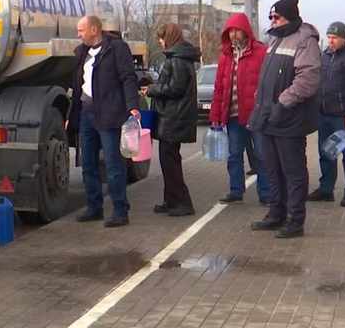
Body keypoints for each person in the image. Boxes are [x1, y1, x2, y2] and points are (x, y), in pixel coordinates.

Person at [248, 0, 321, 239]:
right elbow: (267, 77)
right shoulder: (275, 39)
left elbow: (308, 78)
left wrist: (283, 102)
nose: (272, 21)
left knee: (293, 171)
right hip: (268, 117)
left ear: (287, 16)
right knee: (271, 169)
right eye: (270, 16)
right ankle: (275, 213)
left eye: (275, 16)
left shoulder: (305, 39)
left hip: (290, 118)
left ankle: (294, 220)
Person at [67, 15, 141, 228]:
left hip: (109, 114)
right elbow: (77, 85)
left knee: (113, 164)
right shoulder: (81, 53)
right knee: (87, 164)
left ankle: (120, 210)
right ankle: (94, 207)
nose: (78, 34)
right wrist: (71, 114)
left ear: (94, 29)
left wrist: (132, 106)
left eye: (81, 30)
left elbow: (128, 77)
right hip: (86, 114)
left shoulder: (116, 49)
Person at [210, 13, 271, 205]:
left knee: (262, 155)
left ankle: (266, 193)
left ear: (245, 31)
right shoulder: (225, 57)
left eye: (237, 31)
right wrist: (216, 117)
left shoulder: (261, 52)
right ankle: (236, 190)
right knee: (234, 155)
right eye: (230, 31)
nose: (233, 35)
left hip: (256, 115)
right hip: (234, 116)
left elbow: (269, 83)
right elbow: (219, 88)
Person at [308, 22, 345, 207]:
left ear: (344, 38)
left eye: (334, 38)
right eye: (329, 37)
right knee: (326, 152)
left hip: (343, 116)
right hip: (324, 113)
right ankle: (326, 189)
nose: (331, 41)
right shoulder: (324, 56)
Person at [143, 23, 199, 217]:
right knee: (168, 161)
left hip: (173, 118)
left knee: (171, 162)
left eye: (161, 37)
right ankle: (171, 200)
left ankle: (183, 203)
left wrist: (151, 90)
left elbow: (174, 89)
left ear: (170, 38)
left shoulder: (176, 60)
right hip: (174, 117)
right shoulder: (180, 58)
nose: (160, 41)